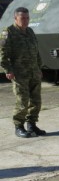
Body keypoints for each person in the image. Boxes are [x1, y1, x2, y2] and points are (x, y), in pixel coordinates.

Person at [0, 7, 46, 138]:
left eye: (27, 18)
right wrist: (8, 70)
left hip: (34, 72)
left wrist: (39, 68)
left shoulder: (30, 31)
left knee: (36, 101)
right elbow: (2, 54)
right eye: (22, 18)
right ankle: (19, 126)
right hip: (19, 74)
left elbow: (36, 52)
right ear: (15, 18)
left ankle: (32, 125)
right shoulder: (8, 32)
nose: (25, 21)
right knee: (22, 101)